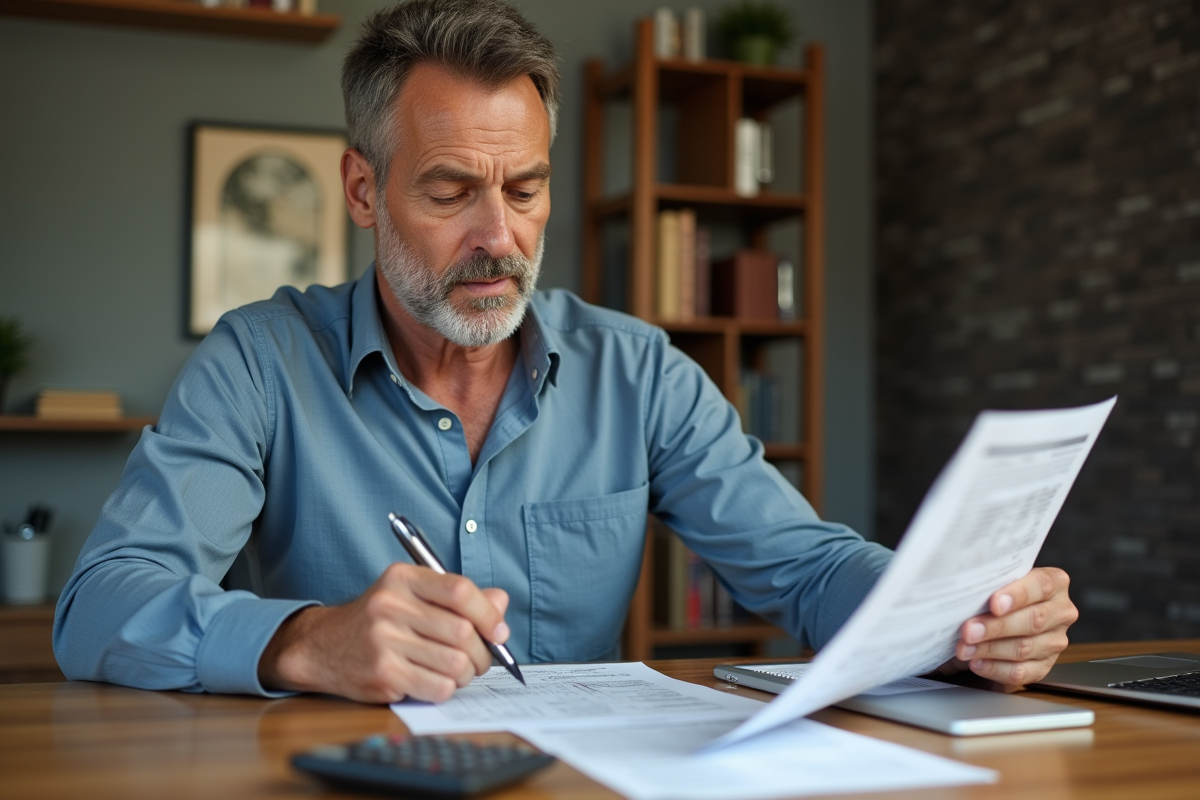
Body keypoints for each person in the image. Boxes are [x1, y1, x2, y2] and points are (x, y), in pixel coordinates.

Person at [54, 0, 1078, 703]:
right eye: (451, 190)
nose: (498, 234)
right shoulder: (260, 363)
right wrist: (299, 640)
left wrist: (954, 620)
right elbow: (100, 600)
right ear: (364, 190)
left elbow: (805, 569)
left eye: (526, 188)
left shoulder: (639, 371)